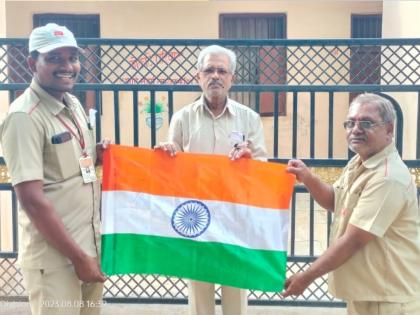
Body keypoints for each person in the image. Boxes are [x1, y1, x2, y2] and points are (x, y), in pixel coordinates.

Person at [0, 23, 108, 315]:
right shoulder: (24, 117)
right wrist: (78, 258)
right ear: (33, 63)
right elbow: (32, 201)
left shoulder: (72, 103)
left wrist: (97, 154)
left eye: (72, 57)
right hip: (56, 260)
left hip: (89, 246)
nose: (67, 66)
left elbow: (76, 163)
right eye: (55, 58)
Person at [282, 93, 420, 314]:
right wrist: (307, 177)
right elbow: (336, 201)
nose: (356, 129)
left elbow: (353, 240)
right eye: (351, 122)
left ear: (389, 129)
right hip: (366, 292)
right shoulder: (359, 162)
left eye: (366, 122)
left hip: (387, 299)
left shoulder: (387, 177)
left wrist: (305, 277)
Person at [155, 45, 267, 315]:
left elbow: (263, 166)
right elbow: (172, 165)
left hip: (234, 213)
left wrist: (250, 157)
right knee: (199, 288)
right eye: (209, 70)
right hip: (196, 215)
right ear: (199, 76)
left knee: (235, 286)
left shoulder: (249, 118)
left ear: (232, 78)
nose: (215, 76)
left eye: (221, 70)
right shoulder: (182, 118)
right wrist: (169, 152)